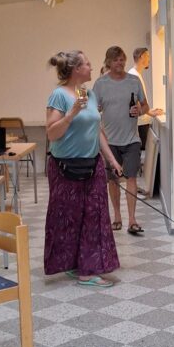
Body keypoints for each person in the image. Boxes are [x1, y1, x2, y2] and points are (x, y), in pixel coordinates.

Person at [44, 50, 123, 287]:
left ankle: (88, 269)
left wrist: (111, 160)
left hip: (92, 165)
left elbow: (96, 130)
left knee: (94, 217)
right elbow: (52, 133)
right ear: (76, 69)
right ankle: (73, 265)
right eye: (87, 64)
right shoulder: (59, 95)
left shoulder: (88, 93)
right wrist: (72, 114)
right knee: (68, 218)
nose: (92, 67)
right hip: (65, 168)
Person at [93, 45, 149, 235]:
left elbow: (145, 106)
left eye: (122, 59)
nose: (120, 62)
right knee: (113, 179)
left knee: (131, 177)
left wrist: (139, 110)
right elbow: (94, 109)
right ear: (108, 62)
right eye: (116, 60)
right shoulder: (100, 84)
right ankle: (117, 216)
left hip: (132, 139)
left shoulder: (134, 81)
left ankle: (132, 219)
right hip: (110, 141)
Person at [128, 47, 164, 149]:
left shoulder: (136, 74)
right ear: (142, 56)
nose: (149, 59)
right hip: (139, 124)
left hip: (141, 122)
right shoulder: (133, 75)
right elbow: (134, 100)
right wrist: (150, 112)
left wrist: (150, 110)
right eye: (147, 56)